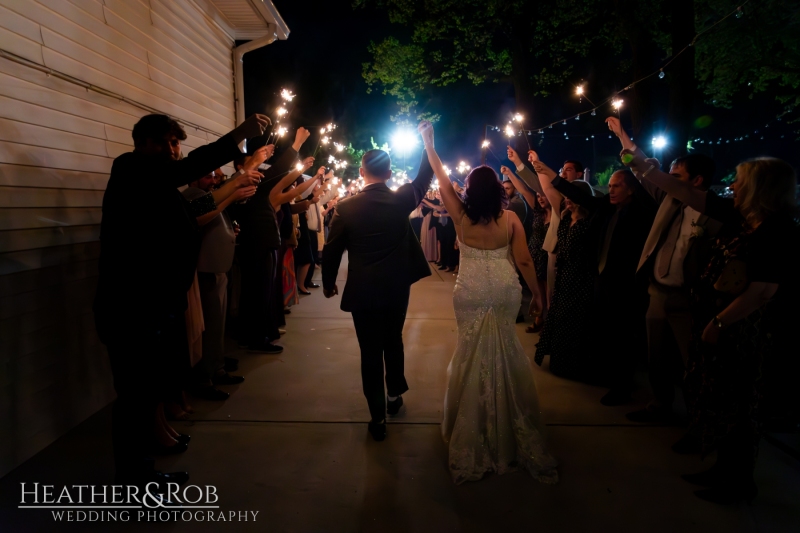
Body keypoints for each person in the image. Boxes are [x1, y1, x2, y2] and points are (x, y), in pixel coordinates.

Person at [94, 112, 268, 488]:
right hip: (132, 310)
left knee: (143, 394)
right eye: (169, 143)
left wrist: (234, 188)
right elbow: (194, 166)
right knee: (135, 399)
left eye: (176, 143)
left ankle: (140, 472)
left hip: (149, 307)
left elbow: (192, 212)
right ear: (147, 143)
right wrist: (238, 136)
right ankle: (134, 483)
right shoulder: (132, 169)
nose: (176, 151)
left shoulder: (153, 186)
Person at [624, 150, 799, 504]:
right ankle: (722, 468)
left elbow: (763, 290)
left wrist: (720, 322)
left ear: (760, 188)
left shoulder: (777, 230)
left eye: (740, 180)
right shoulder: (742, 219)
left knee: (739, 407)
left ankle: (738, 482)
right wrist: (635, 157)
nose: (732, 185)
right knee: (720, 400)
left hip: (743, 333)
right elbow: (684, 191)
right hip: (720, 325)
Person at [422, 123, 558, 485]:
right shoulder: (510, 218)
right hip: (502, 289)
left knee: (471, 351)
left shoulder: (461, 216)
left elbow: (439, 173)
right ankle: (509, 426)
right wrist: (540, 297)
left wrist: (429, 143)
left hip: (469, 290)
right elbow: (526, 261)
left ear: (468, 190)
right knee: (505, 349)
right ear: (498, 190)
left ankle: (474, 423)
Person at [605, 118, 724, 424]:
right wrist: (624, 139)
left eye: (675, 176)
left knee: (691, 363)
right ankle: (660, 404)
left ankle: (699, 421)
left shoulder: (715, 217)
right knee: (655, 357)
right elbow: (644, 173)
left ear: (696, 181)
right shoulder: (668, 200)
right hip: (657, 292)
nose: (667, 180)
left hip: (689, 299)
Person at [322, 123, 434, 442]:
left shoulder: (345, 208)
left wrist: (329, 283)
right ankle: (394, 394)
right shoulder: (400, 201)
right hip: (397, 288)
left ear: (361, 172)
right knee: (393, 339)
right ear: (388, 174)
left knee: (369, 351)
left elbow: (331, 251)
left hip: (363, 291)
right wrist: (428, 145)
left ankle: (377, 419)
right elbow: (423, 179)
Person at [236, 128, 311, 353]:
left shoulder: (252, 184)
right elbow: (278, 172)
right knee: (258, 293)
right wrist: (296, 144)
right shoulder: (242, 183)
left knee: (259, 292)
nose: (261, 162)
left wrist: (305, 170)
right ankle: (257, 338)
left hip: (262, 244)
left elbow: (281, 177)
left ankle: (253, 335)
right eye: (255, 158)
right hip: (257, 244)